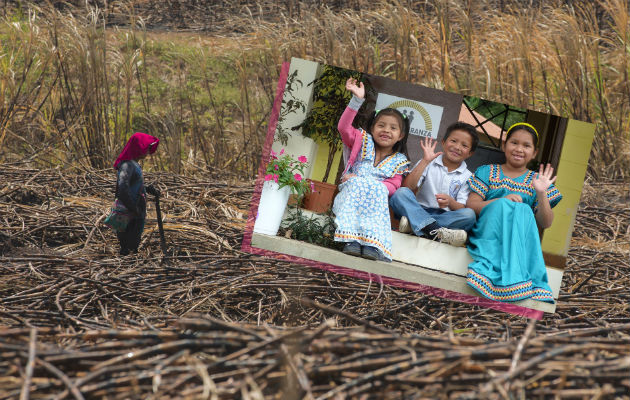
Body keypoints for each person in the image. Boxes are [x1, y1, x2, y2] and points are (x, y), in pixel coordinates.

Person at [465, 122, 562, 303]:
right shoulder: (487, 171)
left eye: (526, 146)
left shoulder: (536, 180)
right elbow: (471, 204)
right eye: (514, 143)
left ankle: (515, 281)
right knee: (505, 206)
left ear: (534, 153)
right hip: (488, 235)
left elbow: (546, 222)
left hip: (519, 242)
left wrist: (541, 193)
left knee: (524, 209)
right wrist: (501, 201)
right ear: (504, 145)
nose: (519, 149)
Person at [333, 78, 410, 262]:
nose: (386, 130)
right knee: (358, 183)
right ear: (373, 128)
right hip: (352, 190)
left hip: (375, 199)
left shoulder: (400, 160)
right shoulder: (362, 140)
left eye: (393, 128)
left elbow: (394, 185)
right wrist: (356, 101)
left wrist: (373, 185)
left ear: (401, 135)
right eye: (381, 125)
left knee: (376, 189)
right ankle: (351, 241)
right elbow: (343, 128)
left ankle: (371, 244)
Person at [389, 122, 479, 246]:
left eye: (464, 145)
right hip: (419, 209)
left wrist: (450, 202)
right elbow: (407, 187)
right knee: (400, 194)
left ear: (470, 153)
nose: (457, 147)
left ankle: (416, 226)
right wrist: (425, 161)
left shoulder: (469, 176)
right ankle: (436, 230)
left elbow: (462, 208)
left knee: (469, 215)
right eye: (453, 141)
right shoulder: (429, 162)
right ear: (443, 142)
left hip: (447, 216)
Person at [112, 132, 160, 255]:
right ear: (138, 148)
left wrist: (147, 189)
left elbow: (132, 184)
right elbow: (123, 187)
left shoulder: (133, 164)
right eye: (146, 147)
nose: (148, 151)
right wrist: (133, 208)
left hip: (134, 211)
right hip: (128, 213)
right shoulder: (127, 165)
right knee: (128, 247)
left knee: (132, 246)